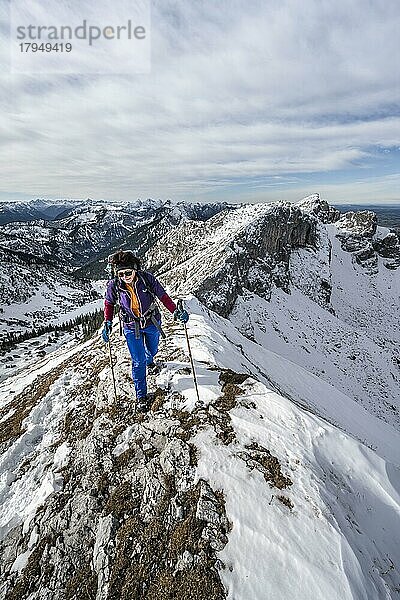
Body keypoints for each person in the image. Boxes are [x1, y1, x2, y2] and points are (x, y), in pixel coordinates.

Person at [102, 250, 189, 411]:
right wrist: (107, 322)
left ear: (135, 269)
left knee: (153, 349)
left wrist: (175, 311)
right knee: (138, 360)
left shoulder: (147, 279)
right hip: (130, 326)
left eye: (128, 272)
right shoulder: (115, 285)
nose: (125, 276)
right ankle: (141, 396)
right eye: (121, 274)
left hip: (151, 322)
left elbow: (163, 296)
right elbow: (109, 304)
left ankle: (150, 361)